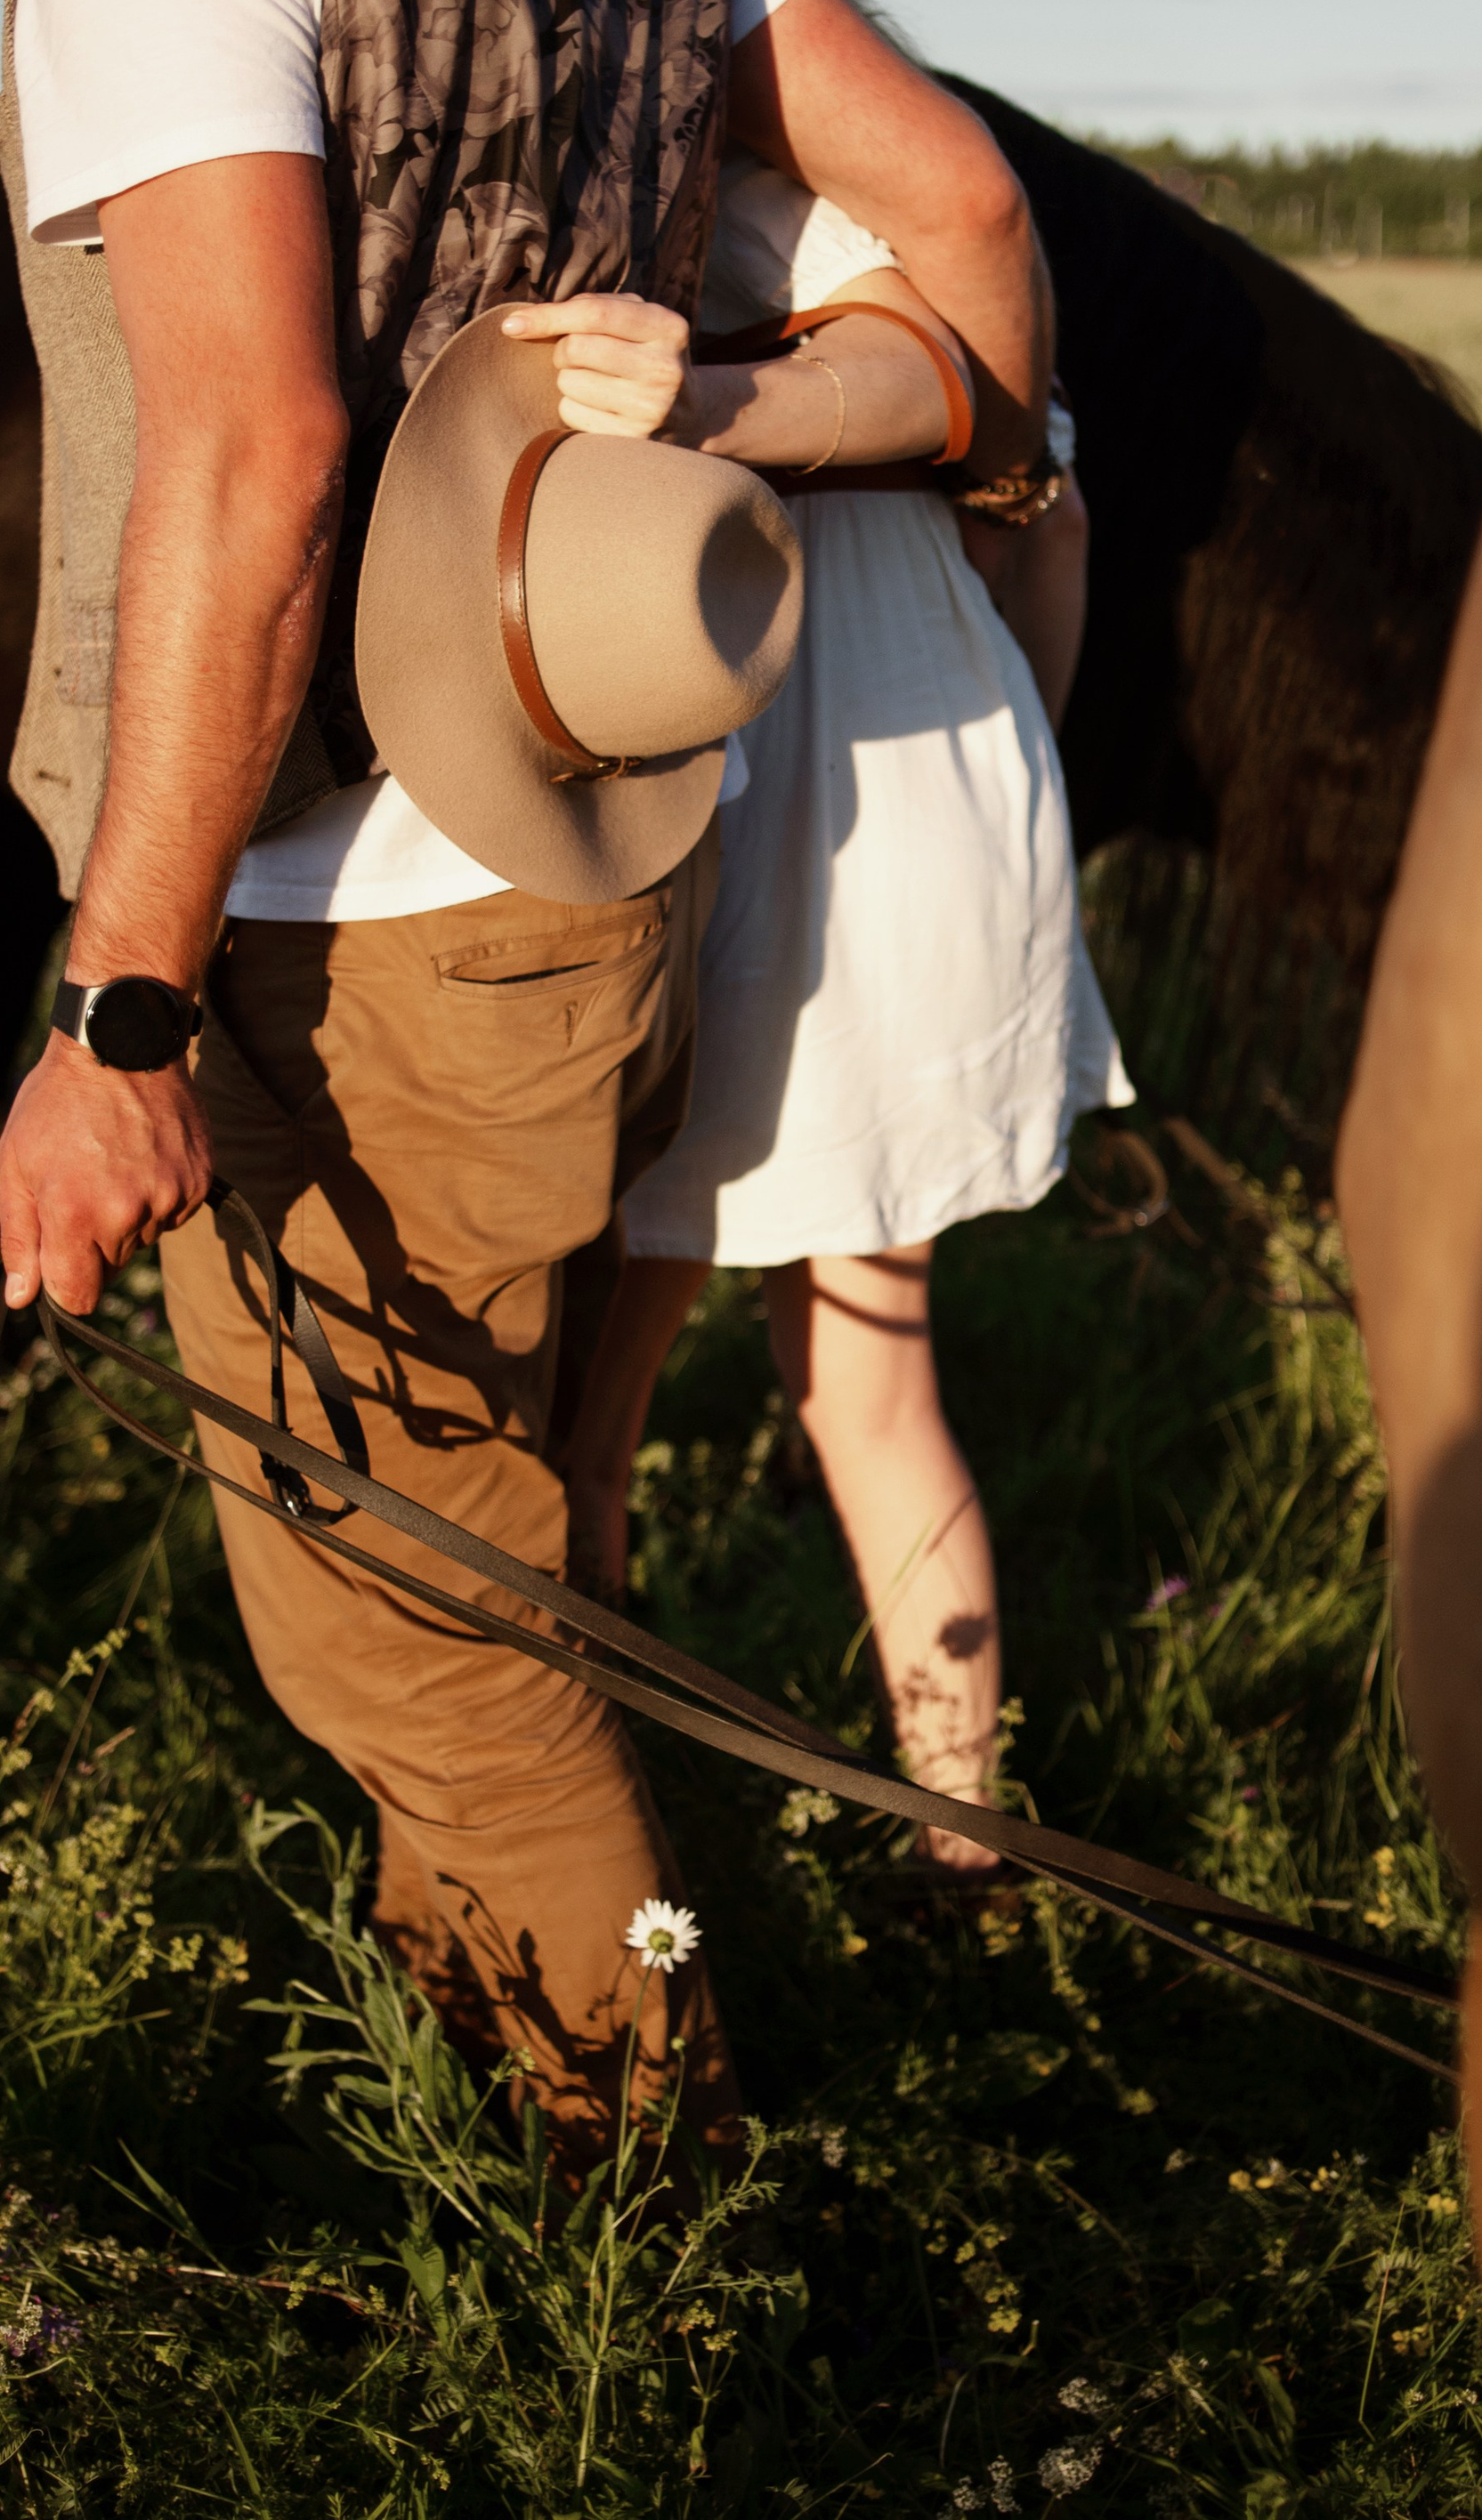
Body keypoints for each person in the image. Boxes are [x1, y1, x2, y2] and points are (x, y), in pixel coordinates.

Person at [0, 0, 1056, 2155]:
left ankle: (642, 2222)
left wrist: (120, 1006)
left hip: (313, 908)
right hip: (600, 831)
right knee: (491, 1520)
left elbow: (255, 449)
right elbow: (973, 220)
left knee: (406, 1609)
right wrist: (765, 423)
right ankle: (502, 2082)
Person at [554, 152, 1126, 1877]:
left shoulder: (619, 237)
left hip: (727, 845)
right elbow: (1053, 539)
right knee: (875, 1385)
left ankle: (602, 1840)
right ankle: (962, 1846)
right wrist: (1013, 758)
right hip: (943, 810)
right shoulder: (932, 269)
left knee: (590, 1402)